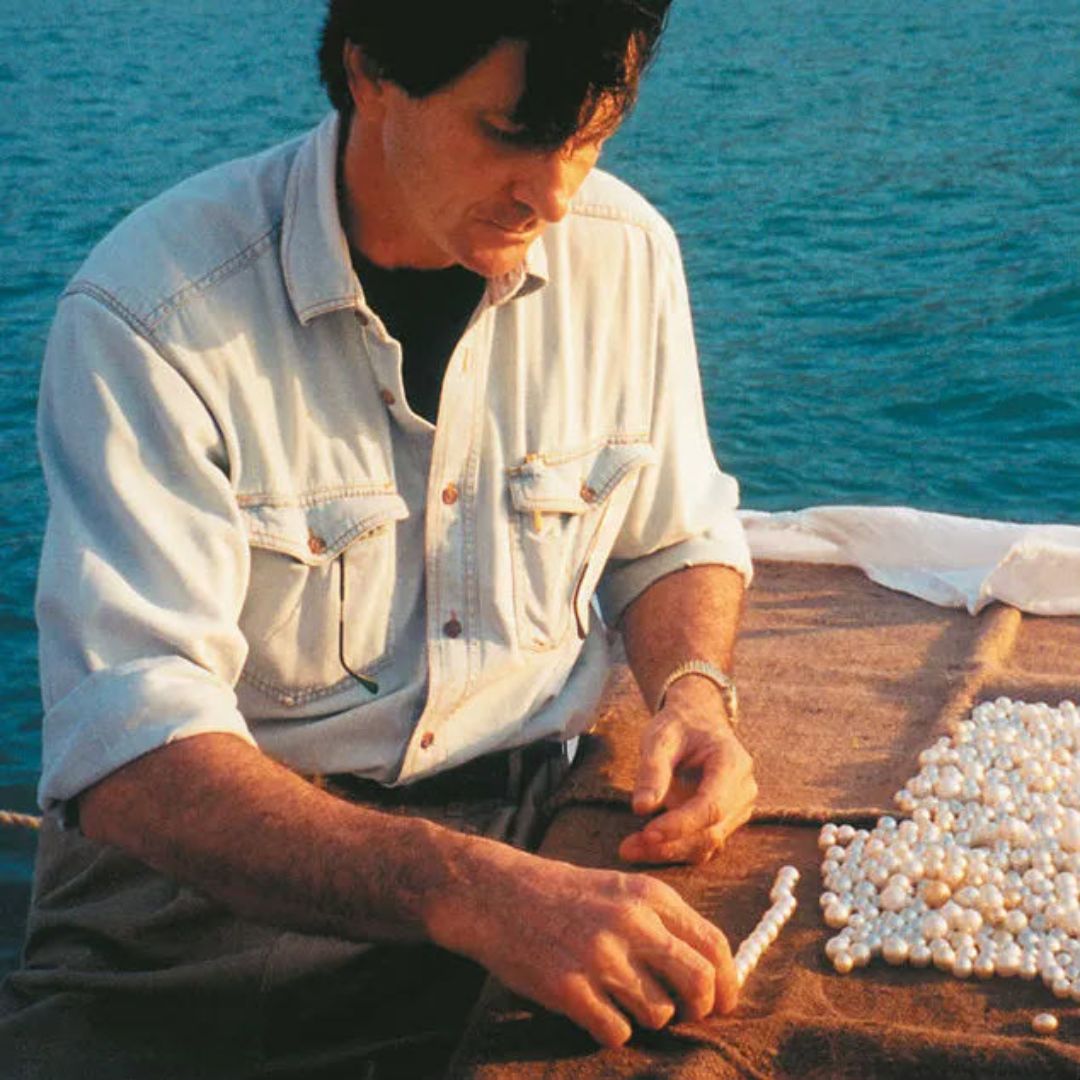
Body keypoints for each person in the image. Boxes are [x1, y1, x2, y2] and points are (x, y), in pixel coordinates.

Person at [1, 2, 757, 1074]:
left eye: (593, 132)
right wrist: (470, 890)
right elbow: (133, 757)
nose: (556, 193)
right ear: (370, 74)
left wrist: (693, 689)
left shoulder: (629, 258)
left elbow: (673, 536)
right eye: (513, 132)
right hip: (189, 935)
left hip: (540, 867)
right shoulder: (149, 314)